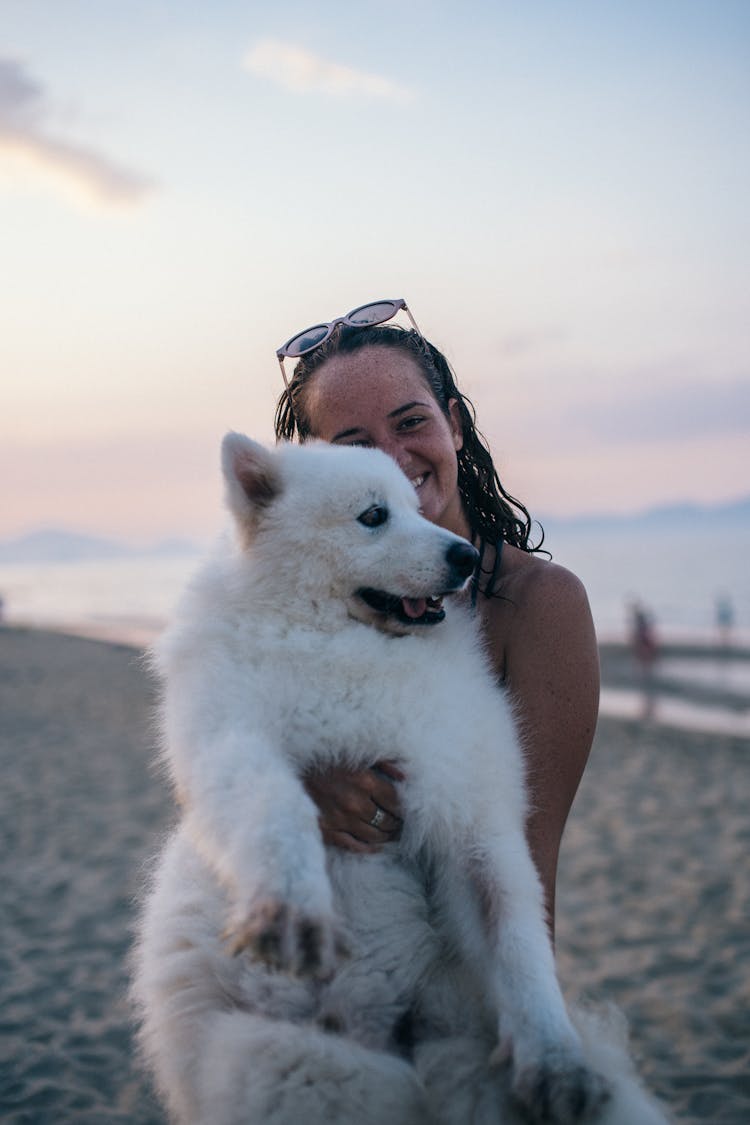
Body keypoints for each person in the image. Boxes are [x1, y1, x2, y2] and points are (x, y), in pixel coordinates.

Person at [274, 299, 600, 937]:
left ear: (453, 424)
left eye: (411, 422)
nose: (393, 460)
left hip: (456, 976)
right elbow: (211, 770)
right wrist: (300, 783)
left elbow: (522, 886)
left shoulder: (537, 604)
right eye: (356, 446)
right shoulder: (303, 604)